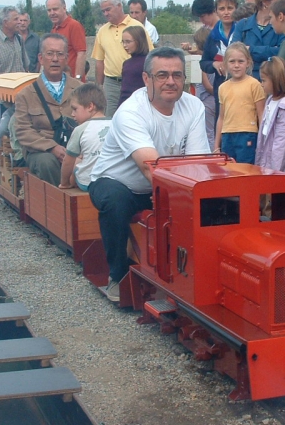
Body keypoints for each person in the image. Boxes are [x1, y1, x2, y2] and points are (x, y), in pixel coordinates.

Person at [89, 47, 209, 301]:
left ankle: (192, 276)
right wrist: (180, 199)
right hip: (118, 183)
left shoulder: (194, 106)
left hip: (164, 184)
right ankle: (118, 276)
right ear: (146, 79)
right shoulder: (130, 111)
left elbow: (197, 162)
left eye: (177, 75)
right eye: (162, 75)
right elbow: (149, 166)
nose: (171, 81)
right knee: (115, 203)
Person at [14, 34, 82, 186]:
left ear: (66, 57)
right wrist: (52, 148)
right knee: (47, 162)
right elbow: (23, 131)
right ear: (40, 58)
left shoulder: (80, 89)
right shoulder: (25, 95)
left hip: (76, 148)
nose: (55, 59)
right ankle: (60, 201)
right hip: (42, 152)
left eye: (60, 54)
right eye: (50, 54)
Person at [92, 0, 153, 118]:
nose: (105, 14)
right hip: (111, 83)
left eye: (108, 9)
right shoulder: (102, 31)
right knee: (110, 118)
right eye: (103, 11)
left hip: (134, 80)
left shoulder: (136, 26)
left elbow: (150, 56)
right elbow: (100, 61)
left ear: (119, 6)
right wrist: (99, 86)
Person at [214, 43, 266, 164]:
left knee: (245, 171)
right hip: (227, 135)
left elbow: (261, 114)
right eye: (232, 61)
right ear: (225, 63)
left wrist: (263, 141)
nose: (236, 65)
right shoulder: (222, 88)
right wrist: (216, 145)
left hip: (247, 134)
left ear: (248, 62)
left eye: (240, 61)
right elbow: (221, 117)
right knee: (229, 172)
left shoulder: (254, 84)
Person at [230, 0, 285, 80]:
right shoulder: (242, 25)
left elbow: (282, 52)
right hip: (245, 85)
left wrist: (251, 50)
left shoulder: (283, 26)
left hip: (273, 85)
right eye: (281, 1)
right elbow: (233, 53)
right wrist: (269, 50)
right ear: (265, 2)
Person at [255, 57, 285, 174]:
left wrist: (273, 174)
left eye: (264, 80)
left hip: (280, 173)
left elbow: (282, 146)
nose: (261, 84)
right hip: (266, 167)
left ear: (275, 80)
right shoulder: (270, 100)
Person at [59, 83, 111, 191]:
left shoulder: (81, 129)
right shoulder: (115, 124)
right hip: (115, 181)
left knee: (76, 161)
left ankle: (72, 186)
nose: (72, 114)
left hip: (88, 184)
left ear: (90, 107)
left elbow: (67, 161)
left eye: (75, 109)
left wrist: (64, 183)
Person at [200, 0, 238, 123]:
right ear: (216, 11)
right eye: (222, 9)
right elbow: (203, 62)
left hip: (243, 86)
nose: (226, 12)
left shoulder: (243, 32)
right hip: (221, 86)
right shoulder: (213, 36)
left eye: (230, 8)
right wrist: (214, 65)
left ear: (236, 10)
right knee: (221, 122)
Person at [47, 0, 87, 81]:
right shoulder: (54, 29)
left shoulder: (74, 26)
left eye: (55, 9)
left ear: (64, 9)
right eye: (49, 10)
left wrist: (77, 78)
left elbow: (81, 53)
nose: (52, 13)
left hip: (72, 81)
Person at [192, 27, 215, 149]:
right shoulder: (216, 59)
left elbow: (207, 85)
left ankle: (211, 155)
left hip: (206, 100)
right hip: (216, 100)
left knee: (208, 133)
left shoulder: (203, 62)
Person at [118, 26, 149, 106]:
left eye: (128, 42)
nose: (125, 45)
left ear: (139, 41)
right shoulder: (127, 63)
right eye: (123, 42)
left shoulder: (149, 62)